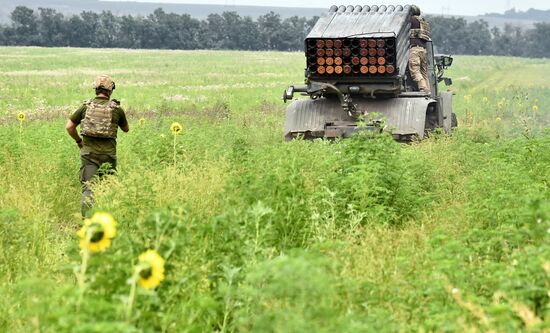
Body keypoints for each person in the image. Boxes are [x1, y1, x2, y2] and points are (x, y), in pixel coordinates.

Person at [65, 75, 129, 217]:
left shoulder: (85, 107)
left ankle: (87, 223)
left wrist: (79, 141)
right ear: (110, 91)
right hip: (109, 156)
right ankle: (106, 221)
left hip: (89, 156)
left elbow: (69, 127)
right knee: (108, 190)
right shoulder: (117, 109)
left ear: (95, 90)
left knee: (89, 190)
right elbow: (126, 129)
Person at [408, 5, 431, 93]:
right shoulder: (423, 21)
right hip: (423, 49)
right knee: (424, 72)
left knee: (415, 69)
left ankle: (423, 88)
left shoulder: (412, 20)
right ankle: (428, 90)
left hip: (415, 49)